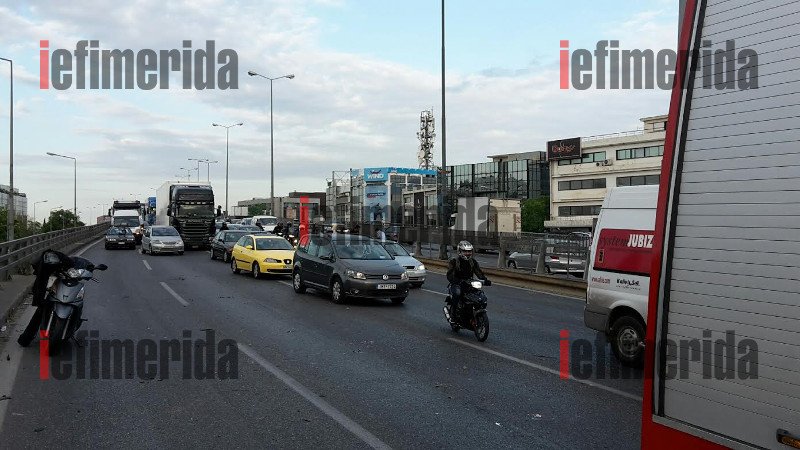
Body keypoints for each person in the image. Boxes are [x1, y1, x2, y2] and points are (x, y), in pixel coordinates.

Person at [445, 241, 489, 322]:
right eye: (465, 251)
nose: (467, 253)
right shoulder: (454, 262)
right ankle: (453, 315)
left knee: (479, 295)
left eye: (469, 251)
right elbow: (450, 275)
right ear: (460, 251)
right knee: (457, 294)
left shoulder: (473, 262)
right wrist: (457, 281)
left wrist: (485, 280)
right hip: (457, 283)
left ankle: (473, 312)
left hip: (469, 283)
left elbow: (478, 272)